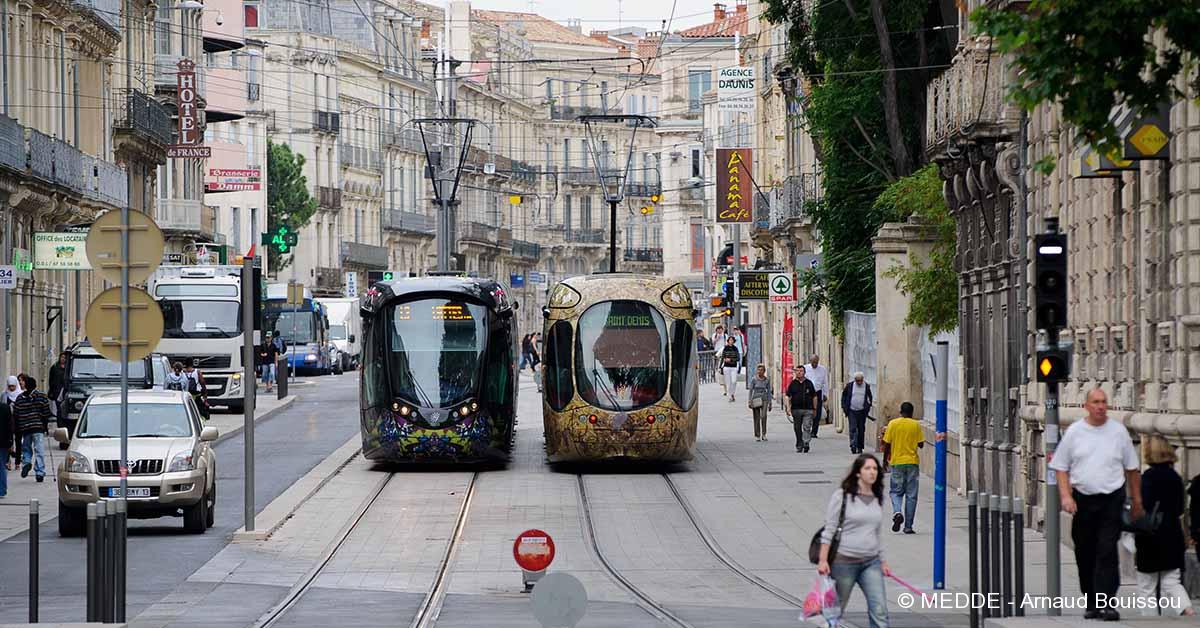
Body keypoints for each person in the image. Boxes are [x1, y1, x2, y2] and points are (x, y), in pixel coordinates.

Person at [1049, 388, 1142, 621]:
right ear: (1087, 406)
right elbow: (1061, 467)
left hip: (1112, 497)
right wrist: (1066, 496)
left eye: (1104, 402)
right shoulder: (1075, 432)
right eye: (1096, 402)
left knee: (1107, 549)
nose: (1101, 406)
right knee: (1085, 550)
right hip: (1083, 499)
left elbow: (1132, 469)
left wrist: (1137, 500)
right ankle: (1091, 600)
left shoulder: (1118, 432)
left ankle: (1107, 602)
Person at [817, 453, 891, 628]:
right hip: (844, 562)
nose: (872, 472)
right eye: (867, 468)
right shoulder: (842, 496)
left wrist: (883, 560)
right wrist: (823, 560)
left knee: (880, 609)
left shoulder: (877, 497)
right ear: (858, 472)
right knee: (835, 611)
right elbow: (830, 529)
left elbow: (876, 532)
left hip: (870, 562)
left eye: (875, 469)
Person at [1132, 435, 1194, 617]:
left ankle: (1151, 619)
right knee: (1172, 580)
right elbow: (1180, 508)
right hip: (1172, 532)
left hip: (1149, 535)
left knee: (1147, 585)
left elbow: (1142, 506)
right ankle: (1186, 608)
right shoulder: (1175, 478)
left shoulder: (1148, 478)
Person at [882, 402, 924, 534]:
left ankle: (897, 512)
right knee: (911, 495)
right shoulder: (915, 425)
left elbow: (887, 444)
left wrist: (884, 461)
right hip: (912, 463)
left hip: (897, 462)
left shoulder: (893, 424)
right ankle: (908, 526)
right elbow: (921, 444)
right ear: (912, 412)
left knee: (895, 491)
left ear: (900, 411)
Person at [13, 376, 52, 483]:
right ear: (35, 385)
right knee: (39, 450)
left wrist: (18, 428)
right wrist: (45, 426)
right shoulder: (42, 396)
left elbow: (16, 414)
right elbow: (46, 413)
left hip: (25, 428)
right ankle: (39, 472)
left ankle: (26, 462)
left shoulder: (20, 398)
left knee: (26, 448)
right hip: (38, 427)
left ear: (26, 385)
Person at [786, 365, 818, 453]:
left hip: (808, 409)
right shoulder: (793, 384)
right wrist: (788, 408)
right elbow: (788, 396)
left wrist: (815, 408)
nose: (799, 372)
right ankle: (799, 444)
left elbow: (814, 396)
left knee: (807, 426)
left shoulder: (809, 383)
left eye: (801, 371)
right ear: (795, 372)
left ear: (804, 372)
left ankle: (806, 442)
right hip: (796, 410)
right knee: (797, 428)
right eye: (797, 371)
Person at [841, 372, 873, 455]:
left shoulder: (866, 386)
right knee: (853, 428)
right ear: (855, 380)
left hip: (862, 411)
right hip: (852, 410)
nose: (859, 382)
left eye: (860, 380)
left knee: (861, 429)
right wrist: (844, 407)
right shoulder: (850, 386)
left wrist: (868, 406)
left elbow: (870, 397)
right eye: (857, 381)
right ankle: (853, 445)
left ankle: (860, 447)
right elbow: (844, 396)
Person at [805, 355, 829, 438]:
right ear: (810, 361)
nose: (814, 364)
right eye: (813, 362)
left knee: (817, 412)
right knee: (808, 411)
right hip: (808, 393)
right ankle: (807, 429)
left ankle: (814, 431)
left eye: (816, 362)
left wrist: (825, 394)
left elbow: (825, 382)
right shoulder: (806, 368)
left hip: (818, 392)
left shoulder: (822, 369)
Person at [748, 364, 773, 442]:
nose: (760, 371)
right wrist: (749, 401)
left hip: (764, 398)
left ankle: (764, 434)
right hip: (755, 398)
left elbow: (769, 391)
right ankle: (757, 435)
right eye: (758, 370)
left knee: (764, 416)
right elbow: (751, 390)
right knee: (756, 417)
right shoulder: (754, 379)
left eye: (761, 370)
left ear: (764, 371)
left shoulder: (767, 380)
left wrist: (770, 402)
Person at [720, 336, 741, 402]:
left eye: (732, 340)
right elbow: (722, 357)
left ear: (734, 341)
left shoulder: (735, 348)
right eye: (730, 340)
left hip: (734, 367)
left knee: (734, 381)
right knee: (728, 382)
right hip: (726, 367)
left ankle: (732, 393)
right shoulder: (725, 348)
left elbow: (738, 358)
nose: (731, 341)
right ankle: (730, 396)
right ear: (728, 341)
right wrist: (720, 367)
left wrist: (730, 359)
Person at [0, 391, 12, 497]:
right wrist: (10, 442)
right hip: (3, 442)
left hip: (3, 442)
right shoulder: (5, 408)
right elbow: (10, 426)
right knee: (1, 466)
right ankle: (2, 490)